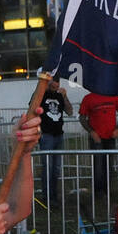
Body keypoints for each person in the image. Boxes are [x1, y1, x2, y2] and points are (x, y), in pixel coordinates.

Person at [78, 92, 118, 196]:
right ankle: (98, 191)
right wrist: (92, 132)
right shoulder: (88, 98)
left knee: (109, 164)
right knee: (98, 165)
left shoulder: (114, 95)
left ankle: (107, 190)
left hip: (110, 137)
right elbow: (82, 118)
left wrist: (117, 129)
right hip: (97, 138)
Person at [37, 79, 71, 207]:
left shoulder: (59, 95)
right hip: (46, 135)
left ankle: (54, 195)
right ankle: (47, 197)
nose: (55, 85)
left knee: (56, 168)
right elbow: (32, 109)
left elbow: (69, 111)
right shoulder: (41, 95)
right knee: (47, 167)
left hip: (58, 135)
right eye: (52, 82)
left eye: (57, 82)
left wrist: (65, 96)